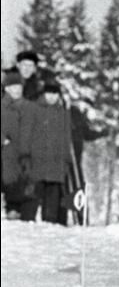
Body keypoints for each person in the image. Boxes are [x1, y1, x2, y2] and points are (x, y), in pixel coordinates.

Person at [29, 81, 73, 224]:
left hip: (56, 161)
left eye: (54, 93)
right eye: (49, 93)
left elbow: (66, 137)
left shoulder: (63, 112)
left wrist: (66, 159)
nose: (51, 97)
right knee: (35, 195)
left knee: (53, 194)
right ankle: (31, 223)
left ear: (58, 95)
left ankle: (50, 223)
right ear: (44, 94)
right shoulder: (35, 109)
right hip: (39, 159)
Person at [1, 72, 38, 220]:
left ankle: (28, 215)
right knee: (10, 180)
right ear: (7, 88)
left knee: (28, 182)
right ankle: (11, 209)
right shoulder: (2, 106)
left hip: (27, 151)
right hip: (7, 151)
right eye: (13, 87)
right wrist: (3, 140)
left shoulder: (30, 106)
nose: (16, 90)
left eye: (19, 87)